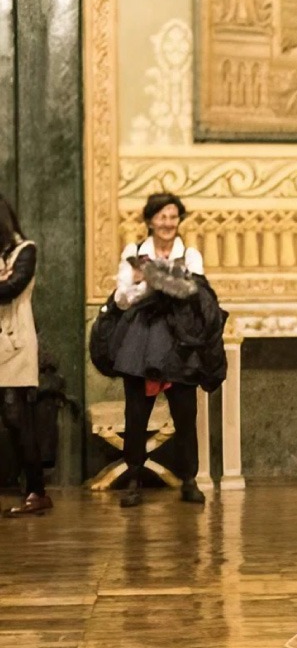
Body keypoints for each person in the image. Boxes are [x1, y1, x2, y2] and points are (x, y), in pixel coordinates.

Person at [110, 193, 227, 509]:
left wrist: (154, 278)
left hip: (180, 344)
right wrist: (136, 283)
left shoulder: (190, 255)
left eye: (173, 217)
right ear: (150, 220)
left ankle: (189, 480)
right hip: (142, 344)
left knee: (185, 415)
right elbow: (121, 300)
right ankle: (133, 481)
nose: (167, 223)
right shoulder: (133, 253)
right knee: (136, 415)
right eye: (161, 217)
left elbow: (194, 293)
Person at [0, 196, 45, 517]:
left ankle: (36, 490)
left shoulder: (25, 251)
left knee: (16, 417)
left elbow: (12, 288)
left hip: (14, 342)